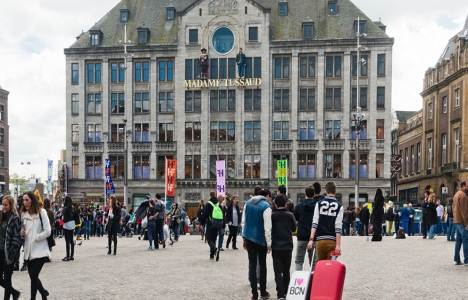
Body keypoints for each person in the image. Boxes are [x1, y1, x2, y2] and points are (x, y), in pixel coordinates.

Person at [20, 191, 51, 300]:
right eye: (23, 200)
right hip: (28, 251)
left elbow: (48, 231)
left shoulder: (42, 212)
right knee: (33, 276)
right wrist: (22, 233)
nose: (25, 202)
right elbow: (23, 231)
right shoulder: (24, 214)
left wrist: (36, 237)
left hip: (40, 250)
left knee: (34, 276)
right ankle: (43, 292)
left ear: (32, 200)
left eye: (27, 200)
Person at [242, 188, 272, 300]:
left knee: (252, 265)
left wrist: (244, 238)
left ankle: (254, 294)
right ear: (266, 196)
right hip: (261, 240)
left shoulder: (247, 204)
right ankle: (263, 291)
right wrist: (269, 244)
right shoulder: (266, 206)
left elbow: (243, 222)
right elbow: (267, 228)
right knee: (262, 266)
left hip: (249, 238)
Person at [307, 181, 344, 261]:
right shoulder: (339, 206)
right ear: (335, 192)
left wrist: (311, 239)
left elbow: (315, 222)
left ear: (325, 191)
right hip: (332, 241)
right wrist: (338, 245)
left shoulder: (319, 204)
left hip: (320, 240)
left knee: (321, 267)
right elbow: (338, 227)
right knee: (330, 268)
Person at [271, 195, 296, 300]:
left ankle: (280, 294)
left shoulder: (273, 216)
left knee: (277, 271)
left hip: (276, 246)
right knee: (286, 270)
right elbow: (294, 228)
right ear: (285, 204)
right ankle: (286, 291)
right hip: (287, 246)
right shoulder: (290, 215)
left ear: (275, 205)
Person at [293, 183, 322, 271]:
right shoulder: (317, 206)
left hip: (301, 237)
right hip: (313, 237)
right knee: (314, 262)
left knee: (299, 261)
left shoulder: (299, 206)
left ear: (305, 194)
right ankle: (313, 281)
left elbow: (295, 219)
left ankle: (299, 280)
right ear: (314, 194)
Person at [0, 195, 22, 300]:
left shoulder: (15, 218)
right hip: (0, 251)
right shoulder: (1, 216)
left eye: (6, 205)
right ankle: (15, 292)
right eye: (3, 204)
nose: (4, 207)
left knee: (7, 278)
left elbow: (16, 239)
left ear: (11, 205)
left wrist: (11, 256)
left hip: (9, 253)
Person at [201, 191, 223, 260]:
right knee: (214, 239)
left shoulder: (208, 204)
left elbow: (204, 214)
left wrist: (202, 223)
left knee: (209, 239)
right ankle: (212, 255)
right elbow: (222, 214)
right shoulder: (218, 204)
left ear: (210, 196)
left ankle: (215, 249)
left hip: (210, 223)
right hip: (217, 223)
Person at [452, 181, 468, 265]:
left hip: (457, 220)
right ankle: (467, 260)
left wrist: (455, 217)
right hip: (462, 221)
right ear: (463, 186)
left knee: (458, 241)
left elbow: (453, 208)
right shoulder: (464, 196)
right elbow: (464, 211)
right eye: (467, 186)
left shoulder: (456, 194)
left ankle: (457, 259)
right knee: (466, 240)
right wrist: (466, 222)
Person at [61, 196, 76, 261]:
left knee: (67, 240)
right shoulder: (72, 208)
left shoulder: (65, 208)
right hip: (72, 224)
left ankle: (67, 256)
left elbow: (65, 218)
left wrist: (62, 219)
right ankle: (72, 255)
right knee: (71, 240)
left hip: (67, 225)